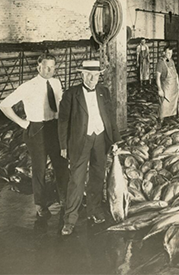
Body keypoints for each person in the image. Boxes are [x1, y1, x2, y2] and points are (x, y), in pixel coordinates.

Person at [0, 53, 68, 218]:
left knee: (61, 165)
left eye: (52, 67)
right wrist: (22, 123)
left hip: (54, 127)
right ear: (39, 67)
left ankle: (65, 201)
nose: (49, 70)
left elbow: (60, 104)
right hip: (36, 128)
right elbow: (4, 105)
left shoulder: (56, 83)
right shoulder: (28, 86)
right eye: (46, 67)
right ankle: (40, 205)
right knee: (39, 169)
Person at [59, 60, 121, 236]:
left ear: (99, 75)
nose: (92, 78)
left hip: (100, 138)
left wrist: (114, 140)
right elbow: (63, 121)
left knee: (98, 176)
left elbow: (109, 116)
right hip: (80, 141)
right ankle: (70, 219)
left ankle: (94, 211)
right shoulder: (71, 94)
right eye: (88, 74)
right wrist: (63, 145)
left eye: (95, 75)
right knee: (76, 180)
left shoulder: (104, 92)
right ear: (81, 74)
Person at [156, 46, 179, 127]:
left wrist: (178, 84)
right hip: (166, 87)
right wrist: (160, 89)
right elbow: (157, 78)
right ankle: (161, 120)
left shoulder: (172, 61)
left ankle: (171, 117)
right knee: (164, 104)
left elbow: (176, 75)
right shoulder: (160, 63)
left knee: (174, 103)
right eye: (168, 53)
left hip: (174, 87)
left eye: (171, 53)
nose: (170, 54)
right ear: (164, 53)